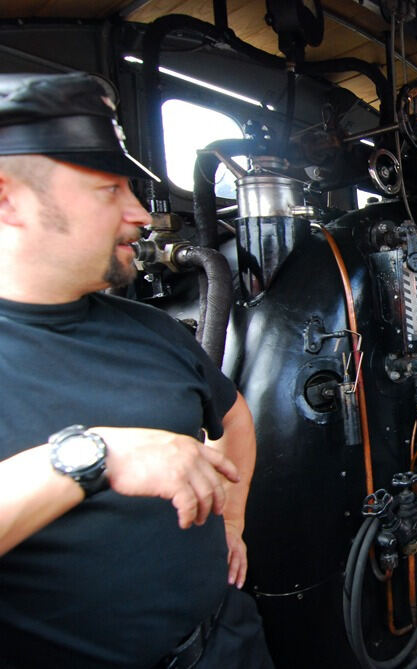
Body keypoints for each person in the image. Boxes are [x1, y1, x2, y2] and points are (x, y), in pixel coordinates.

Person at [0, 72, 272, 668]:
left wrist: (233, 516)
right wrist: (90, 458)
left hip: (228, 646)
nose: (140, 215)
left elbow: (234, 418)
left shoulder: (147, 328)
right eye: (108, 190)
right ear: (6, 198)